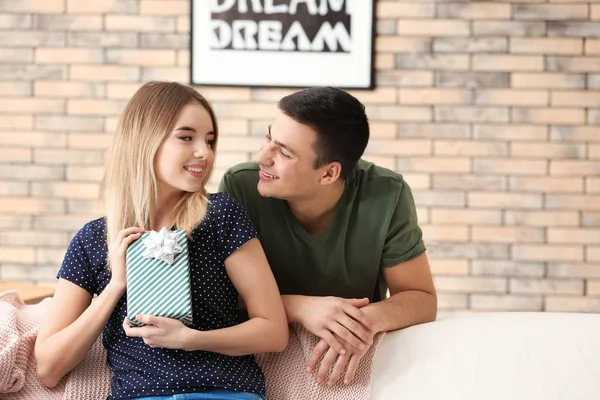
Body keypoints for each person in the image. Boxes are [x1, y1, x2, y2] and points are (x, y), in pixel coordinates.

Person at [35, 81, 288, 400]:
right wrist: (115, 287)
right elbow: (48, 367)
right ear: (144, 141)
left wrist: (189, 338)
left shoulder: (221, 215)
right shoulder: (93, 240)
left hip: (225, 392)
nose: (204, 152)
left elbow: (273, 331)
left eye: (209, 141)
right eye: (186, 137)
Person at [219, 86, 437, 387]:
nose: (262, 157)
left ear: (328, 174)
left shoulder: (387, 193)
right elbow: (221, 301)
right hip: (264, 352)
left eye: (283, 152)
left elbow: (421, 299)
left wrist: (359, 323)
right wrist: (302, 307)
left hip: (349, 359)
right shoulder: (240, 186)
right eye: (269, 138)